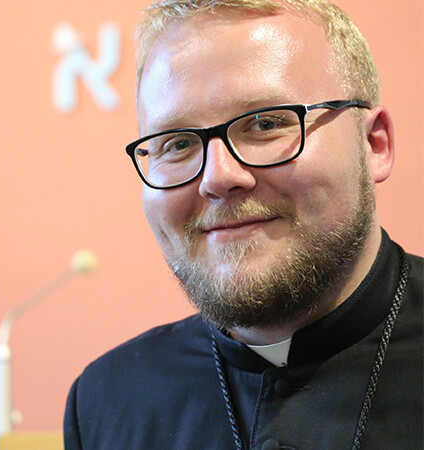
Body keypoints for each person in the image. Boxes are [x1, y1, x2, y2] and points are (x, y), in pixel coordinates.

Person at [63, 0, 423, 448]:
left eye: (266, 123)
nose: (218, 177)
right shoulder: (107, 402)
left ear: (373, 144)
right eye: (177, 144)